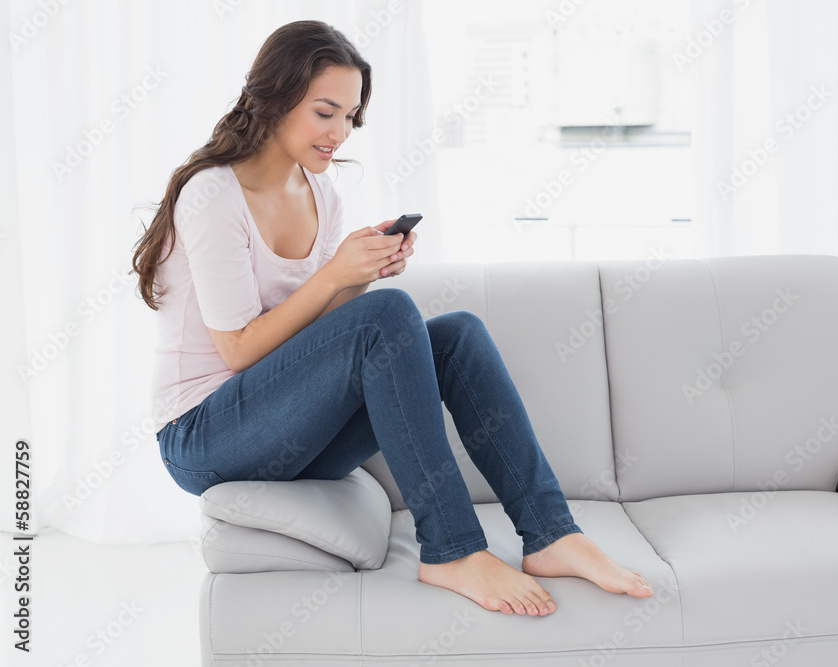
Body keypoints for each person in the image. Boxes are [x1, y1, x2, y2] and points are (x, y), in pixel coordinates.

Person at [130, 19, 652, 617]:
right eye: (326, 112)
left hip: (285, 430)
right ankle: (451, 549)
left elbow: (331, 341)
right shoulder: (212, 194)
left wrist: (361, 277)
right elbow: (240, 352)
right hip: (204, 436)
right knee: (389, 315)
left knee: (457, 336)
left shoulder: (321, 194)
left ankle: (551, 532)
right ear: (272, 97)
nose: (340, 133)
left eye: (351, 117)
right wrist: (338, 277)